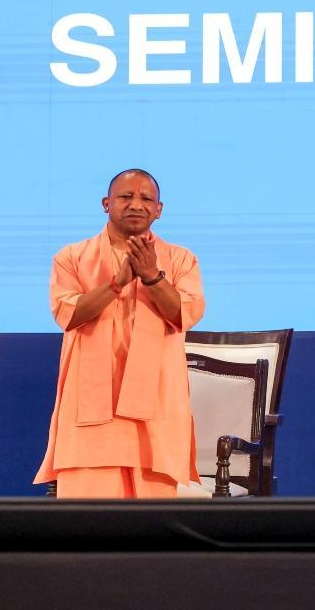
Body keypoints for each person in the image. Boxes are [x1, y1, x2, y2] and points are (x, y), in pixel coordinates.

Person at [35, 169, 204, 498]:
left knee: (150, 533)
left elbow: (184, 314)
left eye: (146, 199)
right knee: (88, 527)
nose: (136, 205)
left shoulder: (182, 259)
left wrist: (152, 277)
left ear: (159, 210)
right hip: (91, 408)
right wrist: (117, 282)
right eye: (126, 197)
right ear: (106, 203)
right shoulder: (72, 257)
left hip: (155, 409)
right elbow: (69, 315)